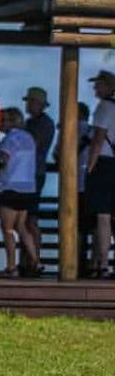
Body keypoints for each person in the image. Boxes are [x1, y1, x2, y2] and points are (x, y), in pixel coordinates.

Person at [0, 108, 39, 277]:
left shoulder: (10, 139)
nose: (0, 123)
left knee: (7, 229)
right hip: (28, 187)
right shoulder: (29, 137)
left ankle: (11, 266)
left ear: (12, 122)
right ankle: (36, 261)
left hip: (11, 187)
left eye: (3, 120)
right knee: (21, 226)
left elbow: (3, 161)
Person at [53, 102, 93, 274]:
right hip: (89, 183)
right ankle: (89, 263)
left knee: (73, 225)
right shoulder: (91, 131)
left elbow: (57, 154)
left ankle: (71, 262)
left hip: (70, 184)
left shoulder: (67, 130)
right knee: (89, 226)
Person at [85, 70, 115, 278]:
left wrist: (90, 166)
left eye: (99, 84)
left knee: (102, 215)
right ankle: (100, 261)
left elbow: (98, 138)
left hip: (104, 162)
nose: (95, 88)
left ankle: (102, 263)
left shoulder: (104, 107)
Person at [23, 86, 55, 271]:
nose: (28, 105)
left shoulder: (43, 124)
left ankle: (34, 260)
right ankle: (29, 260)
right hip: (30, 173)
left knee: (30, 219)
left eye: (31, 102)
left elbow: (33, 145)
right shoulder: (33, 122)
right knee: (25, 219)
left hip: (34, 174)